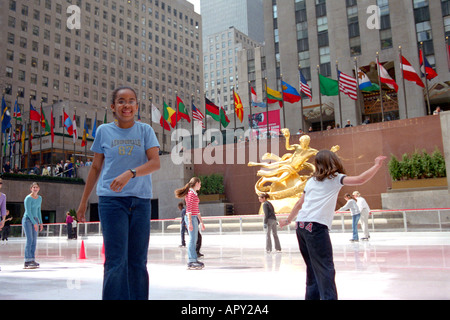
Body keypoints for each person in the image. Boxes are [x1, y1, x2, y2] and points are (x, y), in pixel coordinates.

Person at [76, 86, 161, 300]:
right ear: (113, 107)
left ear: (137, 106)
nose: (127, 105)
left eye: (131, 101)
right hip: (112, 202)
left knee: (138, 261)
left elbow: (155, 163)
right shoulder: (104, 131)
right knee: (116, 260)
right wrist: (84, 201)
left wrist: (130, 173)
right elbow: (95, 168)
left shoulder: (145, 131)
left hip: (141, 202)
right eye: (121, 101)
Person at [279, 151, 386, 300]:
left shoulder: (311, 181)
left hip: (301, 226)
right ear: (334, 161)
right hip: (315, 227)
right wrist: (376, 165)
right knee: (325, 269)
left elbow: (299, 203)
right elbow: (360, 180)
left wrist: (288, 220)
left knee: (313, 269)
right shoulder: (335, 178)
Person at [175, 177, 206, 269]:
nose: (200, 186)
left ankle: (194, 258)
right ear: (196, 183)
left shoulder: (194, 194)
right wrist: (190, 223)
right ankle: (191, 260)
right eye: (199, 184)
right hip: (190, 218)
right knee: (193, 239)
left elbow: (196, 210)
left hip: (194, 217)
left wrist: (201, 222)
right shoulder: (190, 194)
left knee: (195, 238)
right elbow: (189, 209)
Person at [22, 182, 43, 269]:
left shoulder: (40, 198)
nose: (35, 189)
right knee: (29, 239)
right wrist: (34, 223)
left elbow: (38, 211)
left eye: (36, 187)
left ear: (39, 189)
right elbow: (28, 211)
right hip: (27, 220)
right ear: (31, 189)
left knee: (34, 240)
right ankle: (27, 260)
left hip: (35, 219)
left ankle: (32, 259)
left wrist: (40, 222)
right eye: (34, 187)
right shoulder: (28, 198)